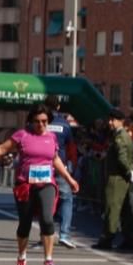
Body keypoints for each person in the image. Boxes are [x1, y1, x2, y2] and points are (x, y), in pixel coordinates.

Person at [0, 103, 80, 265]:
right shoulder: (22, 135)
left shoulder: (51, 137)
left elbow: (56, 159)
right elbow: (2, 149)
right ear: (31, 121)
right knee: (25, 223)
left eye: (44, 121)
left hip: (47, 184)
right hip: (25, 186)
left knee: (47, 219)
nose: (41, 125)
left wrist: (69, 179)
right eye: (37, 121)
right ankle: (21, 257)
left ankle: (48, 260)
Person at [92, 109, 133, 251]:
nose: (110, 122)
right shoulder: (121, 136)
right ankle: (128, 240)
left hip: (116, 177)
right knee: (125, 211)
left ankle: (107, 239)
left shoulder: (120, 137)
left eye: (113, 120)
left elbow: (122, 158)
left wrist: (128, 171)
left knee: (112, 209)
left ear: (121, 121)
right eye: (109, 120)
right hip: (121, 177)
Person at [44, 95, 77, 248]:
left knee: (44, 200)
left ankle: (45, 234)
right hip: (60, 165)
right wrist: (72, 166)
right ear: (58, 107)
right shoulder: (64, 124)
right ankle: (64, 234)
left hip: (42, 165)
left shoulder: (40, 123)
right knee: (66, 199)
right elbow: (71, 147)